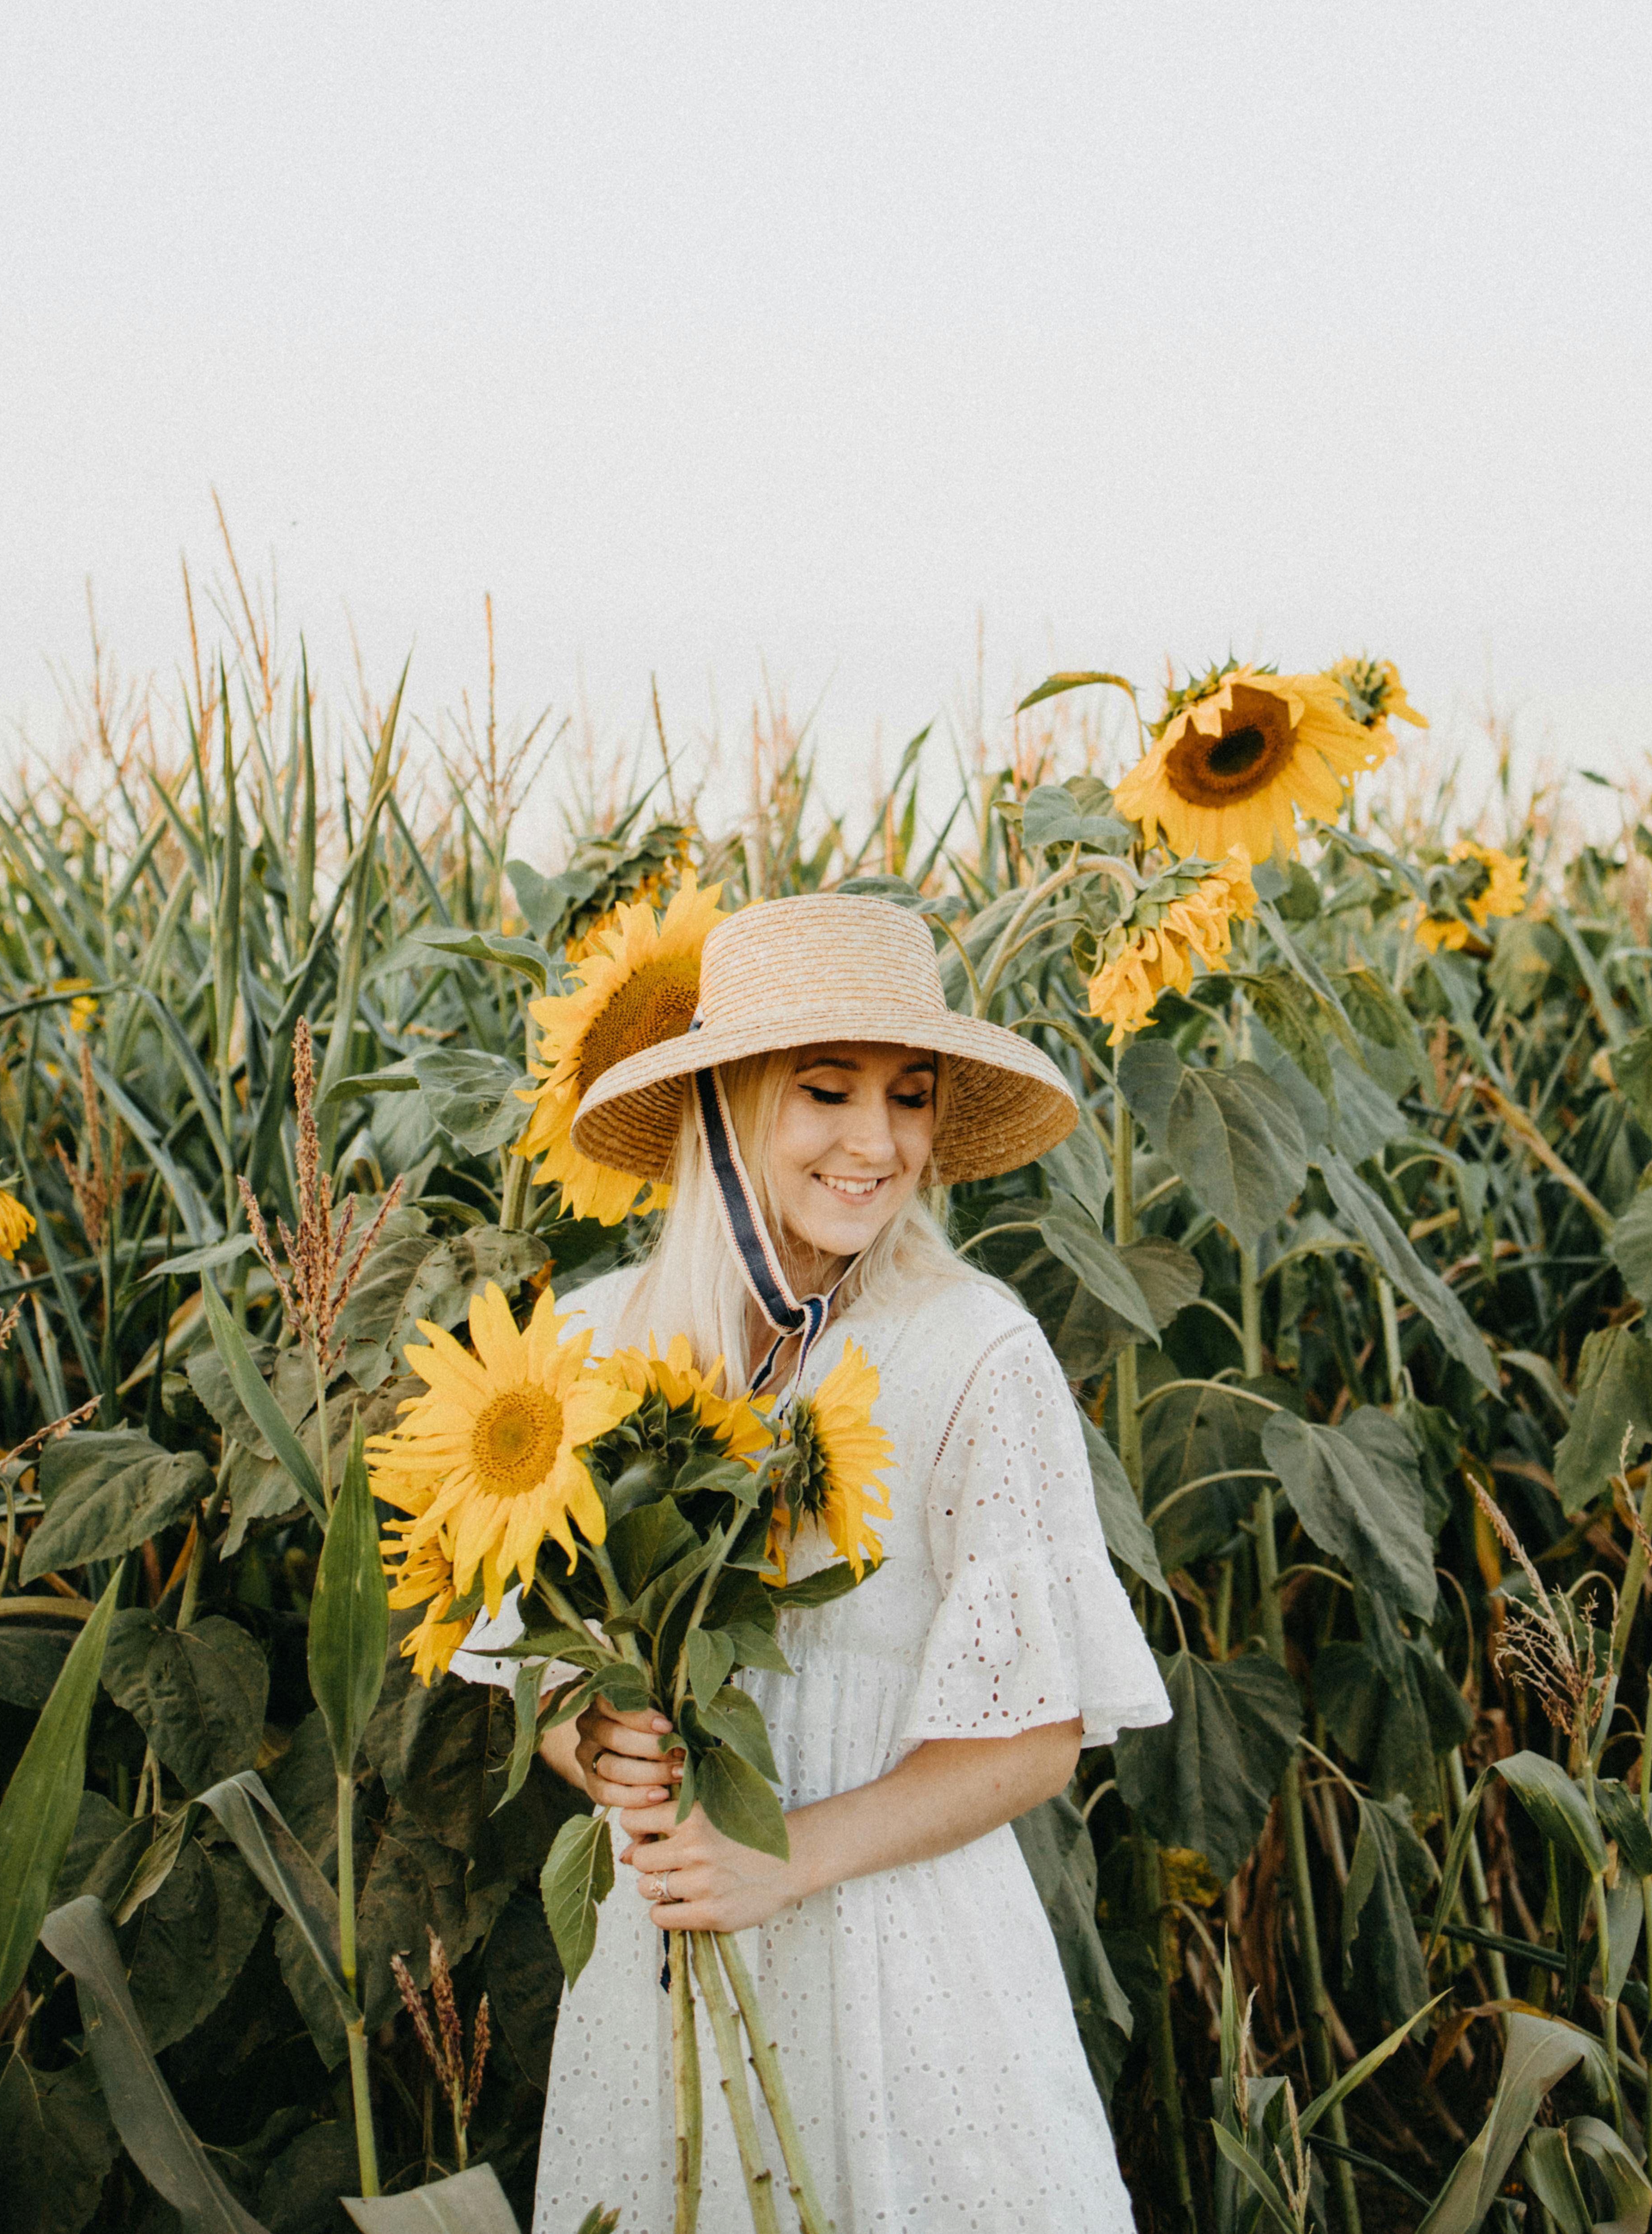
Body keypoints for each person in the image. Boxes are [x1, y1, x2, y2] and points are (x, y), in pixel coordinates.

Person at [454, 892, 1170, 2233]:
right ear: (725, 1102)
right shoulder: (593, 1343)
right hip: (669, 1936)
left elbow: (1036, 1733)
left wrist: (787, 1856)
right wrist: (593, 1742)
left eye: (909, 1097)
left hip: (907, 1946)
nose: (877, 1142)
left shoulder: (970, 1348)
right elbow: (535, 1659)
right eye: (825, 1091)